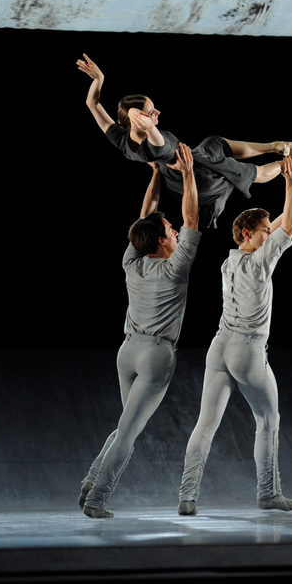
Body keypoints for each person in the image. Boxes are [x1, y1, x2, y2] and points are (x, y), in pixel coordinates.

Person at [177, 155, 292, 516]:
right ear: (249, 234)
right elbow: (289, 228)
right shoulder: (261, 262)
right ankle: (268, 493)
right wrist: (290, 186)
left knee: (206, 423)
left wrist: (289, 206)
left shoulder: (229, 261)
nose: (270, 234)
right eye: (264, 230)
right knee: (268, 421)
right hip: (247, 350)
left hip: (219, 347)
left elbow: (276, 230)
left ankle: (187, 496)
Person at [80, 144, 201, 518]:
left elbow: (144, 218)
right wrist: (187, 173)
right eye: (170, 230)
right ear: (163, 241)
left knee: (125, 423)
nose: (176, 230)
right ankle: (99, 498)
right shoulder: (176, 267)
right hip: (155, 356)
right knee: (130, 431)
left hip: (127, 351)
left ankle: (91, 481)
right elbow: (193, 218)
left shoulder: (131, 261)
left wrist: (153, 176)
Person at [77, 53, 292, 228]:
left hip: (192, 162)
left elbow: (93, 104)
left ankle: (274, 145)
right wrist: (148, 124)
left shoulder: (121, 139)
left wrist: (99, 80)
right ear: (139, 120)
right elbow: (155, 137)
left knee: (214, 143)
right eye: (152, 112)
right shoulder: (155, 147)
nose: (158, 113)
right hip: (198, 176)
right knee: (250, 173)